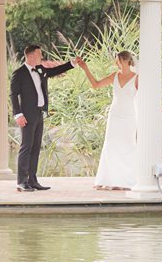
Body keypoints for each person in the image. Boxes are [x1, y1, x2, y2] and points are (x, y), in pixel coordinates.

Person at [10, 46, 79, 192]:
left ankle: (32, 180)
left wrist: (72, 63)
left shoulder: (41, 69)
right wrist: (18, 114)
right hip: (26, 115)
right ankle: (21, 182)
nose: (41, 56)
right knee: (26, 147)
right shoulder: (19, 73)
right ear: (31, 55)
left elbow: (55, 71)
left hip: (39, 113)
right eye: (39, 54)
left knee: (36, 147)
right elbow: (13, 95)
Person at [78, 52, 139, 190]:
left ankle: (127, 181)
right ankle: (106, 179)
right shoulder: (115, 76)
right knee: (111, 144)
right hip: (115, 115)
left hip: (129, 116)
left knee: (128, 145)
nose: (116, 62)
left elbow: (145, 95)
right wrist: (85, 68)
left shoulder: (137, 78)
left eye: (117, 60)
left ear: (125, 60)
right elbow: (96, 84)